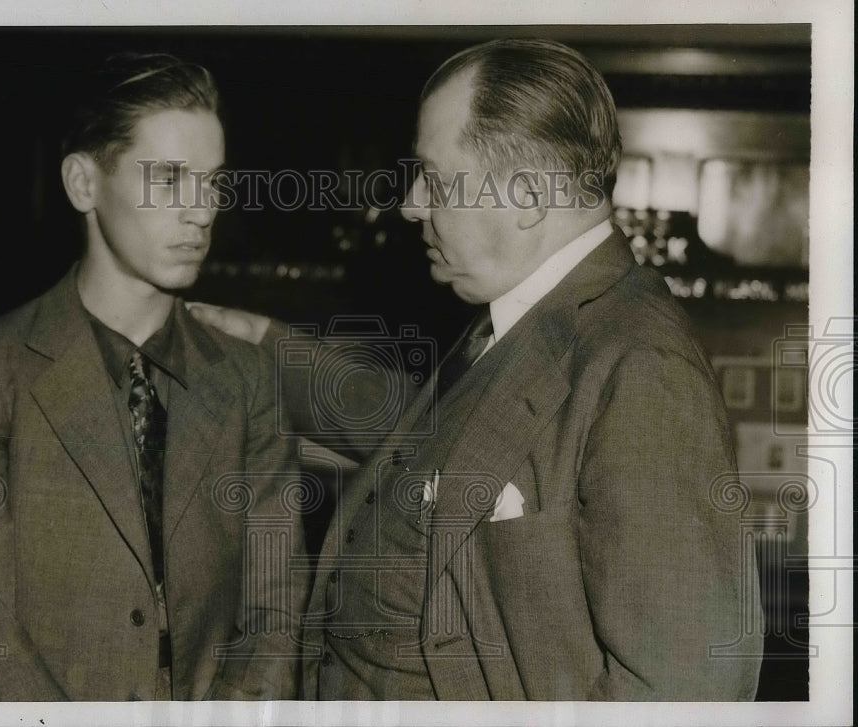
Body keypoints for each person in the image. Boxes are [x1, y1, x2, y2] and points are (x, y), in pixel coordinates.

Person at [192, 39, 763, 700]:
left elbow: (691, 690)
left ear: (525, 196)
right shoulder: (531, 312)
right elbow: (449, 445)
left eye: (433, 178)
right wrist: (267, 347)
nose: (410, 204)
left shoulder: (642, 368)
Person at [0, 53, 304, 701]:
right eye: (169, 180)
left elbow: (275, 609)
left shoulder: (247, 379)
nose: (202, 212)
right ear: (82, 183)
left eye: (211, 182)